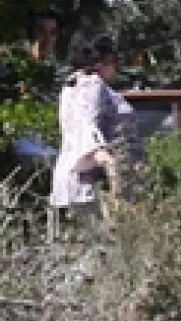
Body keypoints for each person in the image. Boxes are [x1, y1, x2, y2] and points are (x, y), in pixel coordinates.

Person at [50, 33, 141, 233]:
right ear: (101, 61)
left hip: (72, 182)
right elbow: (86, 128)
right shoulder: (91, 84)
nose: (115, 66)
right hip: (91, 187)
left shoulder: (72, 85)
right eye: (114, 59)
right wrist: (114, 184)